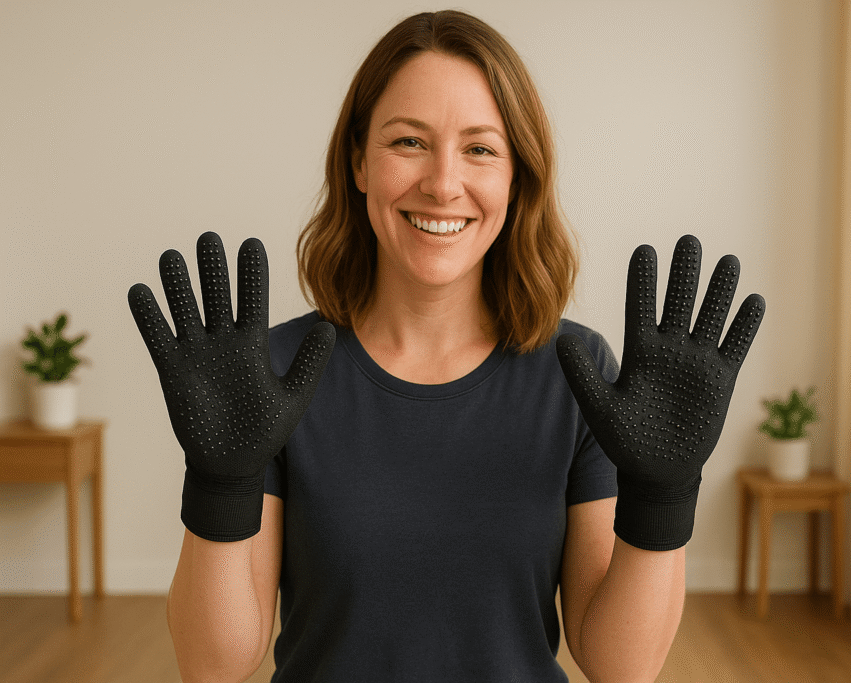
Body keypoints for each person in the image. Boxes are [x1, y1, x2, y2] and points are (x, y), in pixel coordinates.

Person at [128, 9, 765, 683]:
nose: (442, 182)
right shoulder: (273, 376)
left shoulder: (581, 376)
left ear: (518, 176)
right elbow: (212, 665)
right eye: (408, 141)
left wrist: (661, 498)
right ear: (359, 161)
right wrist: (219, 487)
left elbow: (621, 664)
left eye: (481, 148)